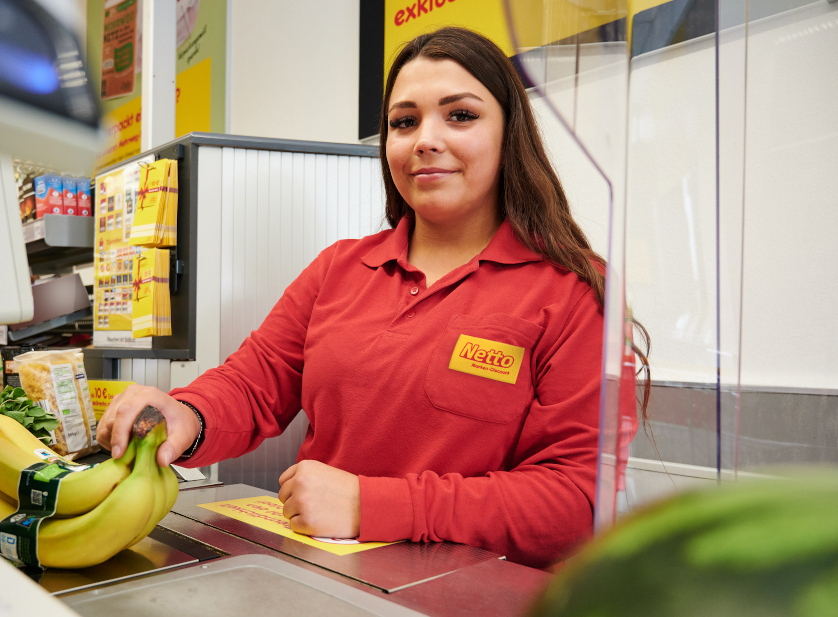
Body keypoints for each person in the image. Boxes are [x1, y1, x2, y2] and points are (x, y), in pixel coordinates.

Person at [98, 27, 636, 569]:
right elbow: (253, 384)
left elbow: (578, 503)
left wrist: (372, 504)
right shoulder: (341, 267)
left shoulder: (574, 290)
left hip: (478, 609)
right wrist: (187, 414)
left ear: (510, 134)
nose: (425, 138)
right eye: (404, 122)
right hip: (321, 582)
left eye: (461, 115)